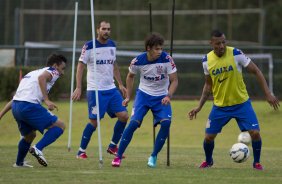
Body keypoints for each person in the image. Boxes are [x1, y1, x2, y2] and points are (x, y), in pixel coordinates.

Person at [188, 30, 280, 170]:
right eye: (218, 43)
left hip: (241, 104)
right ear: (211, 43)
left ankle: (256, 163)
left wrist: (268, 93)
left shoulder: (236, 53)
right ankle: (208, 161)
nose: (221, 46)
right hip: (220, 106)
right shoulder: (206, 60)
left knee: (255, 133)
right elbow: (208, 85)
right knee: (208, 138)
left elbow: (256, 71)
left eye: (224, 42)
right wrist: (199, 106)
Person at [111, 32, 178, 168]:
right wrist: (128, 96)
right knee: (133, 124)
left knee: (166, 124)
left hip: (161, 98)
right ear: (148, 48)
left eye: (161, 48)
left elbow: (175, 80)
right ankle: (118, 157)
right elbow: (130, 77)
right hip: (144, 96)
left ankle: (153, 156)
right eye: (156, 49)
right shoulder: (138, 61)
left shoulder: (167, 59)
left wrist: (168, 95)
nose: (160, 51)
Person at [72, 20, 129, 159]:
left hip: (111, 89)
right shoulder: (89, 46)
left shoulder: (112, 45)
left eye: (108, 29)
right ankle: (81, 151)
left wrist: (120, 84)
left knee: (124, 116)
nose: (106, 31)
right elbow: (80, 66)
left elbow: (114, 65)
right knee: (94, 122)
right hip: (95, 90)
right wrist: (78, 87)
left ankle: (112, 146)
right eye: (103, 29)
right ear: (98, 30)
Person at [0, 54, 67, 168]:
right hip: (28, 106)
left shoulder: (30, 74)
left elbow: (15, 98)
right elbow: (42, 78)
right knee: (60, 126)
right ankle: (38, 148)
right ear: (55, 66)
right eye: (62, 68)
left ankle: (19, 163)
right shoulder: (52, 71)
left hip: (16, 107)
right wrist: (47, 100)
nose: (62, 73)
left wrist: (1, 114)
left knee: (29, 135)